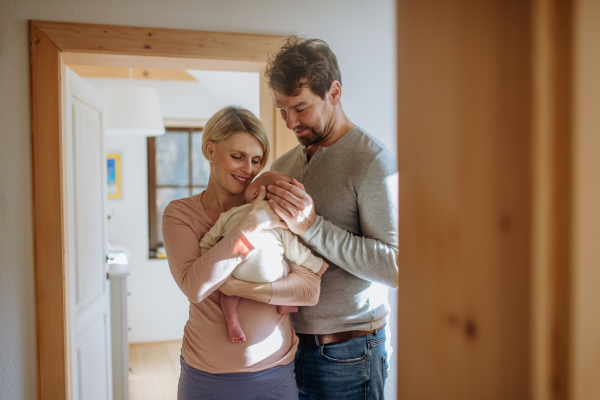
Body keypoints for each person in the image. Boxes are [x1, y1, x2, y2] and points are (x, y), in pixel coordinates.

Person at [265, 36, 399, 399]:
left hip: (349, 354)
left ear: (334, 93)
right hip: (287, 347)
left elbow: (396, 267)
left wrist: (311, 226)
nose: (290, 121)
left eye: (301, 108)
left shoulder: (373, 162)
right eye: (282, 110)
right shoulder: (283, 165)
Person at [162, 106, 322, 400]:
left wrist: (238, 287)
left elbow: (309, 291)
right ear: (209, 149)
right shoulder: (180, 214)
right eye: (237, 156)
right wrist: (250, 225)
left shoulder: (276, 205)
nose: (248, 169)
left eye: (256, 160)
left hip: (275, 376)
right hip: (203, 380)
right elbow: (195, 286)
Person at [199, 171, 328, 344]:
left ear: (255, 192)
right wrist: (316, 264)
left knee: (228, 291)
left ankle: (231, 317)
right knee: (286, 263)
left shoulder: (229, 214)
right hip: (269, 274)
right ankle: (283, 303)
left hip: (233, 269)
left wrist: (207, 255)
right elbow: (295, 251)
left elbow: (207, 242)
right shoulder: (281, 221)